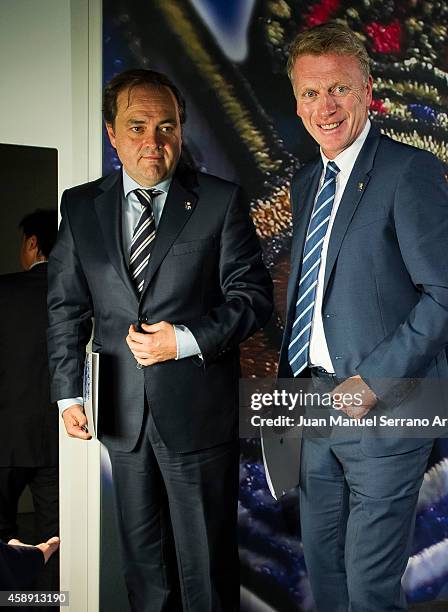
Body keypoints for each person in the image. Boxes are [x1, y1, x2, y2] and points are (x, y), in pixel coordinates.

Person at [262, 23, 448, 612]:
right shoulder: (308, 183)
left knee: (369, 586)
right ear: (296, 101)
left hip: (387, 404)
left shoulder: (410, 171)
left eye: (338, 89)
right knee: (324, 573)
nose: (324, 106)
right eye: (310, 93)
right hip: (314, 402)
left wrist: (371, 383)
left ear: (366, 90)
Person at [47, 69, 273, 612]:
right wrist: (67, 393)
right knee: (144, 568)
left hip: (197, 414)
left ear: (182, 130)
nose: (154, 142)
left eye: (167, 126)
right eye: (138, 125)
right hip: (120, 417)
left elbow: (254, 298)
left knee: (207, 571)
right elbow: (66, 305)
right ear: (112, 133)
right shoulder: (79, 207)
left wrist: (187, 340)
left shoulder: (220, 202)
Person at [0, 209, 59, 590]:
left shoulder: (3, 291)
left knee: (3, 542)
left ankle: (11, 603)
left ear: (32, 243)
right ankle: (55, 603)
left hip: (5, 436)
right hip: (61, 440)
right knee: (59, 542)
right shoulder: (80, 297)